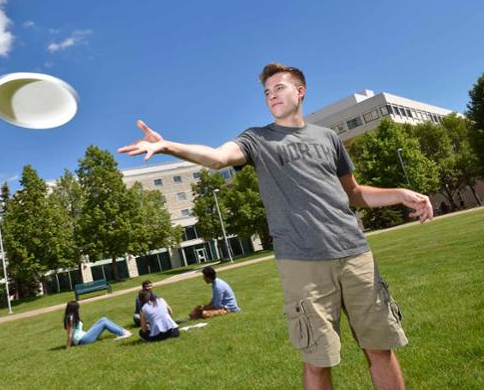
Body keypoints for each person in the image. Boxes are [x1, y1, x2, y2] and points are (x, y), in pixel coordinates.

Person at [119, 62, 433, 390]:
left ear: (300, 91)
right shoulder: (256, 139)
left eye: (279, 88)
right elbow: (217, 157)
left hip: (355, 254)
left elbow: (352, 193)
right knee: (317, 360)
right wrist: (167, 145)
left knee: (380, 349)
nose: (271, 96)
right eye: (266, 92)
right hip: (302, 262)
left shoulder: (328, 138)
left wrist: (400, 194)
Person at [63, 301, 132, 348]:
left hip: (84, 336)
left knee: (103, 319)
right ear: (74, 309)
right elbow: (70, 334)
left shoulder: (72, 316)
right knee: (104, 323)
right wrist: (68, 347)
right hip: (83, 340)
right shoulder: (70, 317)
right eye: (77, 308)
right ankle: (123, 333)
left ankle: (123, 330)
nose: (78, 310)